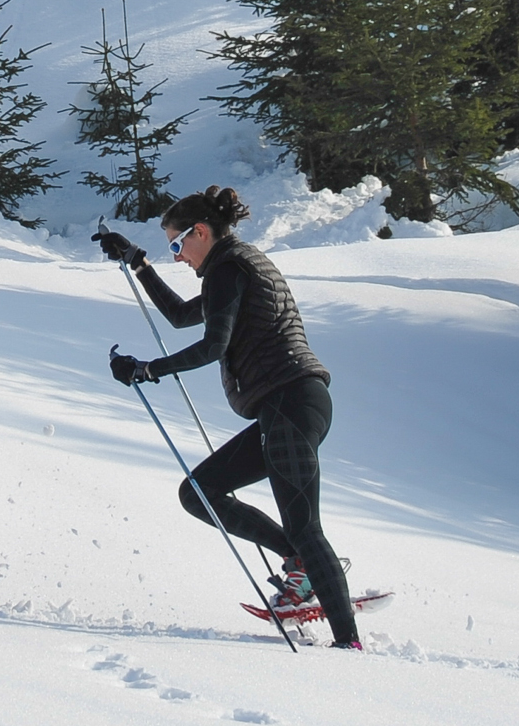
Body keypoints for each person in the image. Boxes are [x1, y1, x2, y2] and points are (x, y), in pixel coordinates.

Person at [99, 186, 363, 649]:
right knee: (199, 492)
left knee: (305, 527)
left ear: (201, 232)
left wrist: (147, 370)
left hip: (290, 403)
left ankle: (349, 644)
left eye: (177, 245)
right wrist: (139, 264)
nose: (177, 257)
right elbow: (183, 317)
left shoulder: (229, 267)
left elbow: (212, 346)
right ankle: (302, 564)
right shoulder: (235, 267)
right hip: (287, 406)